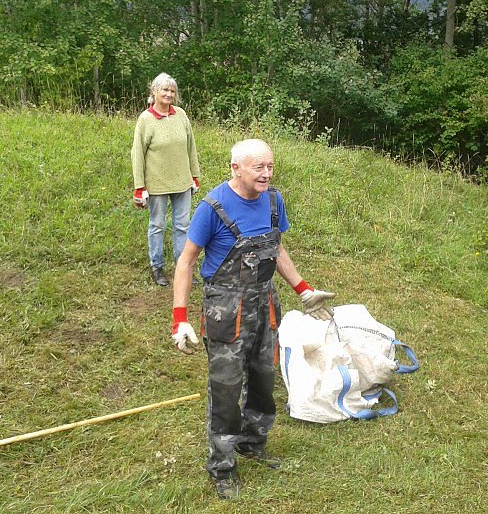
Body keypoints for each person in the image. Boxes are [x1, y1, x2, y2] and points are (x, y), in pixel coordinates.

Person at [170, 138, 335, 500]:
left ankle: (252, 444)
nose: (266, 173)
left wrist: (303, 290)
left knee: (264, 380)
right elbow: (186, 261)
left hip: (265, 304)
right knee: (226, 390)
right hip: (225, 309)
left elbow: (276, 248)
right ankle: (222, 467)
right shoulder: (212, 207)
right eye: (258, 167)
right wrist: (179, 317)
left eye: (270, 166)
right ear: (236, 169)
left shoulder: (274, 202)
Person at [131, 73, 201, 286]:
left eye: (172, 91)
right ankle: (157, 267)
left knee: (183, 226)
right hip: (157, 184)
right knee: (157, 225)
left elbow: (191, 147)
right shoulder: (146, 119)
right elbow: (137, 154)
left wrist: (194, 175)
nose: (169, 94)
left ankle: (183, 267)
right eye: (165, 90)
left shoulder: (181, 115)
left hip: (182, 182)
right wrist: (139, 187)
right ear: (154, 92)